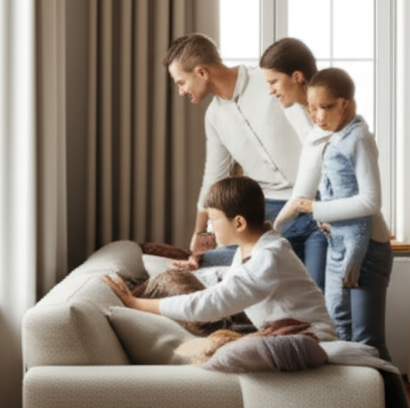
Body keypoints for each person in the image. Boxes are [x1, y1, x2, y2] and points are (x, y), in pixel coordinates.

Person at [103, 175, 338, 342]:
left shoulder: (270, 256)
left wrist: (137, 304)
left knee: (226, 350)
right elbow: (226, 284)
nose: (210, 230)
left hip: (312, 339)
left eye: (213, 220)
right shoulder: (248, 250)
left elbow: (212, 303)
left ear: (239, 222)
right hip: (288, 334)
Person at [274, 67, 395, 363]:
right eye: (312, 108)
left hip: (369, 249)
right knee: (340, 330)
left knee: (367, 341)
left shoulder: (358, 138)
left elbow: (370, 200)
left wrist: (317, 209)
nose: (317, 116)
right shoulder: (331, 136)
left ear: (346, 104)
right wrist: (272, 228)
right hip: (340, 245)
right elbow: (302, 195)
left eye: (325, 108)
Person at [163, 33, 301, 267]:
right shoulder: (214, 117)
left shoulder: (269, 82)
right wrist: (198, 234)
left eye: (181, 83)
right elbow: (214, 176)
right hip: (265, 207)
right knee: (216, 261)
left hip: (307, 197)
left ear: (201, 72)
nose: (181, 92)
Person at [259, 38, 328, 290]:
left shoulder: (329, 118)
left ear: (297, 76)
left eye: (274, 82)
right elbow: (306, 182)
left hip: (334, 219)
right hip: (312, 210)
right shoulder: (293, 110)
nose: (270, 91)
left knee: (326, 303)